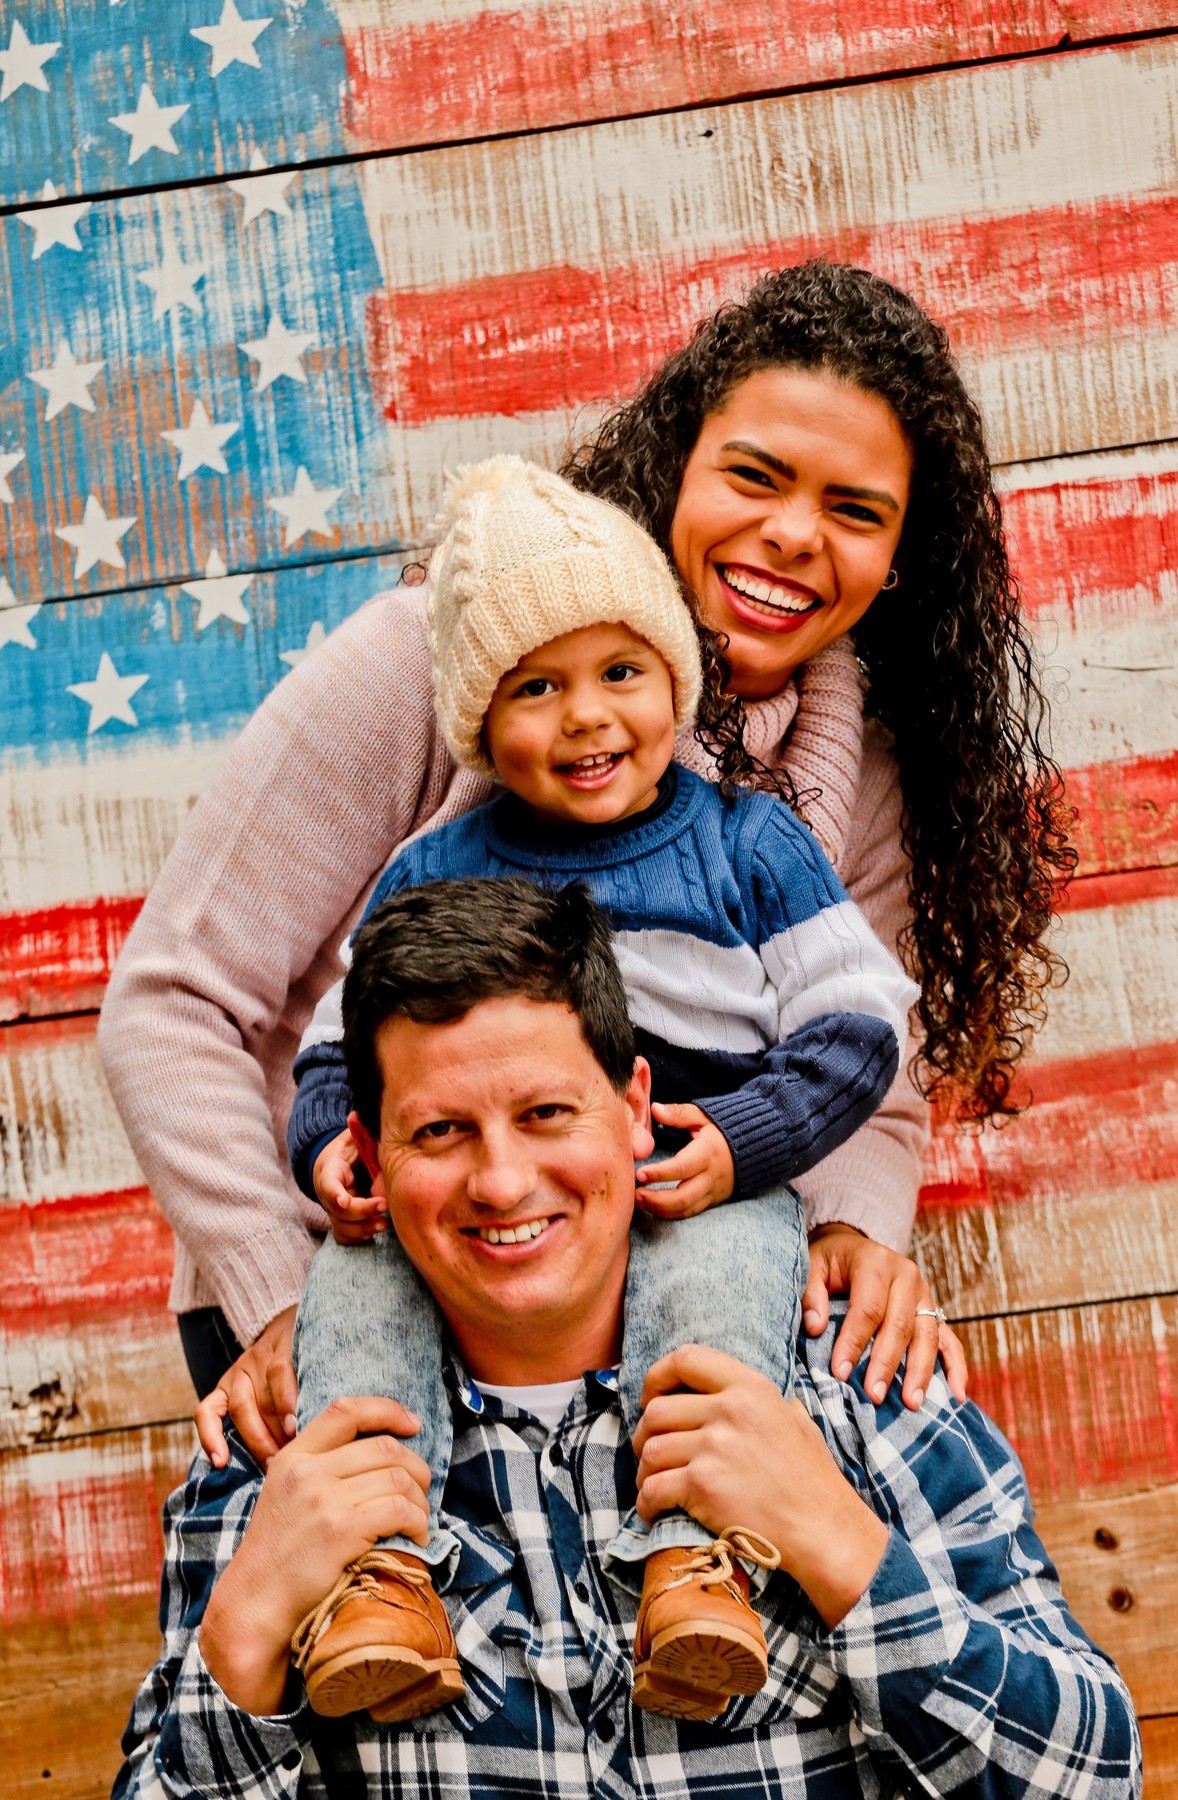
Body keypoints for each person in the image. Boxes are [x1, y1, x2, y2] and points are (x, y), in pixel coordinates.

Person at [98, 260, 1070, 1467]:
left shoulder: (859, 771)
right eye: (754, 476)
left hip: (653, 1304)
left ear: (902, 557)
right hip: (342, 1290)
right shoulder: (427, 666)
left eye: (856, 511)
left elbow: (876, 1062)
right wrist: (283, 1297)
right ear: (676, 465)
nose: (792, 534)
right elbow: (172, 1003)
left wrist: (854, 1231)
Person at [112, 881, 1139, 1800]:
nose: (502, 1181)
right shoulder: (279, 1456)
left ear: (636, 1109)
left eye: (546, 1112)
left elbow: (1094, 1777)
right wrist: (247, 1628)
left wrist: (836, 1540)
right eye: (440, 1131)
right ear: (369, 1157)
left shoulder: (853, 1383)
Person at [282, 455, 917, 1724]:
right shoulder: (433, 868)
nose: (586, 718)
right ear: (478, 720)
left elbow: (857, 1027)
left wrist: (740, 1142)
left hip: (698, 1185)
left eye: (620, 672)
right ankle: (374, 1583)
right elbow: (334, 1048)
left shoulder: (749, 844)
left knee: (718, 1305)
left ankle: (695, 1567)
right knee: (352, 1295)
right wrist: (325, 1150)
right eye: (537, 687)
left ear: (675, 680)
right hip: (496, 1206)